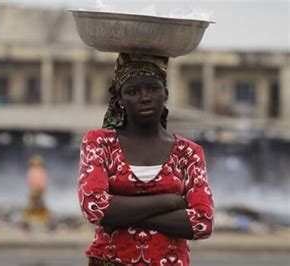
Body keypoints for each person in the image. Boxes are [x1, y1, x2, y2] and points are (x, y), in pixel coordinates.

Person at [78, 53, 214, 266]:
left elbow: (202, 223)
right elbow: (94, 206)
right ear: (120, 100)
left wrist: (119, 215)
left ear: (165, 93)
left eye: (153, 88)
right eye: (133, 91)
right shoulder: (100, 143)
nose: (144, 97)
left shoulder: (188, 152)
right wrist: (170, 202)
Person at [22, 155, 52, 231]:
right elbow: (30, 181)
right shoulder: (33, 171)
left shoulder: (40, 171)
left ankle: (49, 225)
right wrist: (34, 190)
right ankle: (26, 225)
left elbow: (43, 182)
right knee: (32, 208)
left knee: (40, 208)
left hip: (38, 192)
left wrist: (39, 190)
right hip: (34, 192)